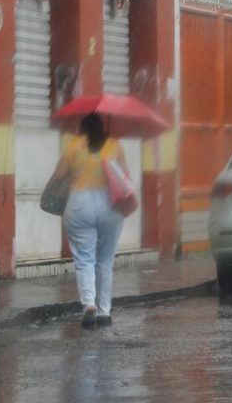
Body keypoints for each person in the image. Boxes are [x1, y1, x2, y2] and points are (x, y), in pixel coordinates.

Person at [52, 113, 129, 329]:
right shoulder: (114, 146)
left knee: (84, 258)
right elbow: (126, 177)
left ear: (82, 127)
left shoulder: (74, 145)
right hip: (110, 204)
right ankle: (105, 311)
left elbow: (60, 175)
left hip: (79, 203)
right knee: (105, 259)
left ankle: (89, 305)